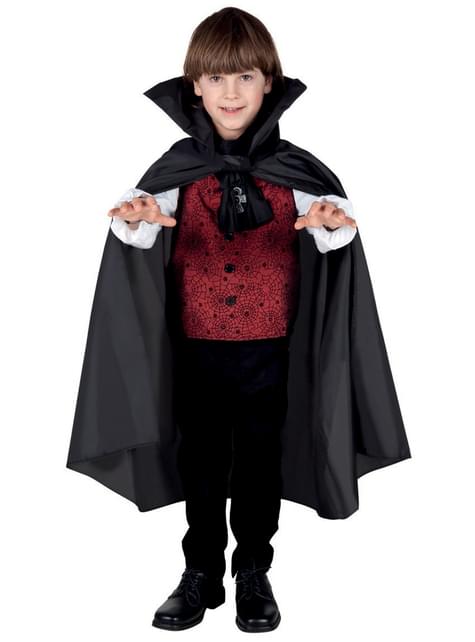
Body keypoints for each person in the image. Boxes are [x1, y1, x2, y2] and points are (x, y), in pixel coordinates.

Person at [66, 6, 411, 634]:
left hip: (272, 348)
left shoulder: (297, 170)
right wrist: (138, 221)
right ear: (195, 86)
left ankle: (253, 568)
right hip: (194, 347)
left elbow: (333, 234)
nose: (231, 92)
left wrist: (330, 226)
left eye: (246, 76)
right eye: (217, 77)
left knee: (259, 461)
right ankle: (200, 572)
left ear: (268, 84)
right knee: (200, 461)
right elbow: (139, 232)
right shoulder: (174, 170)